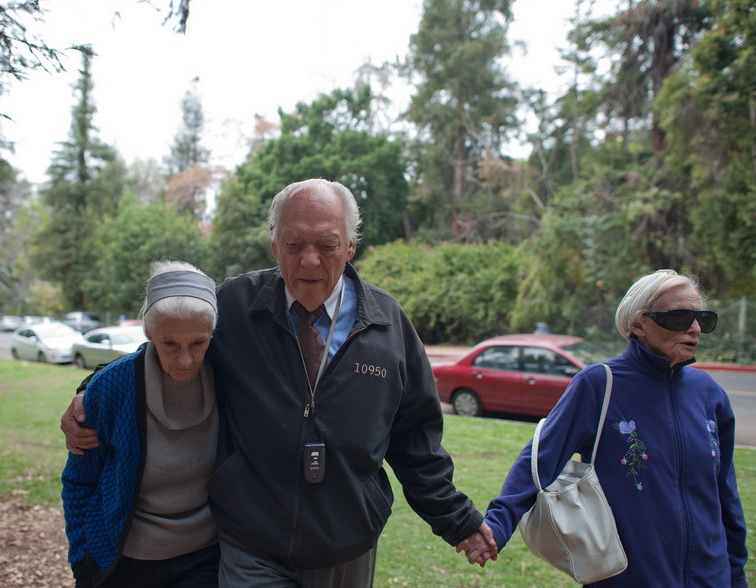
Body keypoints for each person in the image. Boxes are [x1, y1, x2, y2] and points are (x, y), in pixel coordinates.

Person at [63, 178, 495, 587]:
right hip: (252, 541)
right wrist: (92, 390)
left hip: (346, 544)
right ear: (274, 243)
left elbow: (416, 438)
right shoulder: (235, 305)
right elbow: (170, 346)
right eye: (293, 244)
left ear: (350, 247)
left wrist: (455, 519)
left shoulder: (388, 326)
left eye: (326, 245)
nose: (309, 260)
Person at [463, 269, 748, 586]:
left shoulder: (709, 394)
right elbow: (539, 459)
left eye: (702, 318)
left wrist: (736, 575)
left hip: (712, 578)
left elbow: (725, 497)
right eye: (679, 317)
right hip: (630, 578)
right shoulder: (600, 385)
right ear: (638, 324)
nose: (694, 328)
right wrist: (498, 527)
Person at [61, 260, 220, 588]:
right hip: (124, 560)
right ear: (149, 334)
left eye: (198, 343)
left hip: (205, 557)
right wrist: (81, 559)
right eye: (170, 344)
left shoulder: (229, 375)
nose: (186, 359)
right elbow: (79, 481)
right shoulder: (111, 386)